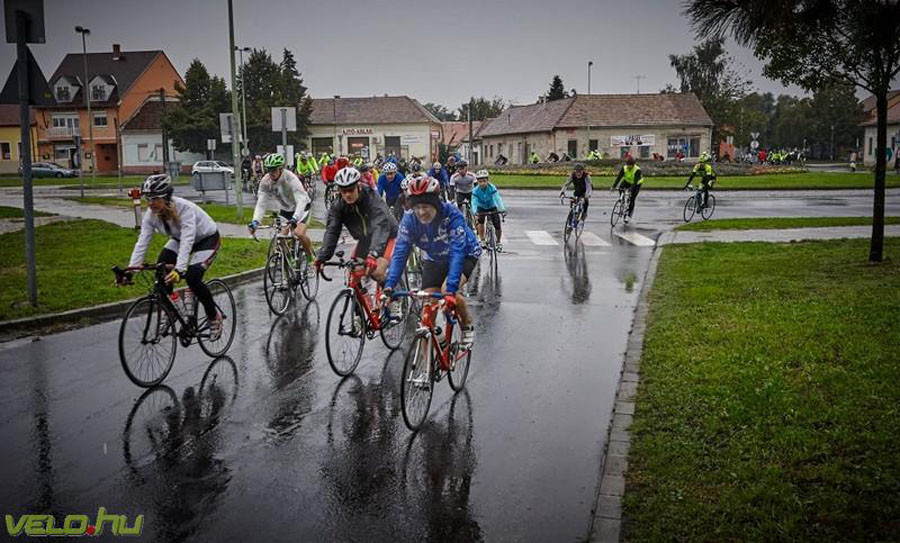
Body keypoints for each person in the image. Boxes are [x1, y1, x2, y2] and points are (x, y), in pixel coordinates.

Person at [382, 176, 482, 348]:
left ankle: (467, 324)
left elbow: (457, 252)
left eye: (426, 207)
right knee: (427, 303)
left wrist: (450, 290)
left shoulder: (452, 215)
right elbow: (400, 253)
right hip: (435, 258)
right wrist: (390, 286)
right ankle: (432, 347)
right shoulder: (409, 220)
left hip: (464, 254)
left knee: (446, 291)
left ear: (435, 204)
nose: (421, 212)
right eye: (417, 207)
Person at [121, 174, 223, 336]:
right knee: (160, 270)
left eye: (155, 198)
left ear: (166, 198)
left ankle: (213, 317)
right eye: (148, 198)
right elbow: (142, 242)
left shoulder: (185, 209)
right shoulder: (150, 215)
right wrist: (131, 270)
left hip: (206, 239)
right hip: (179, 239)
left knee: (193, 277)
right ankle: (173, 309)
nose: (151, 203)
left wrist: (179, 270)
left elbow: (188, 240)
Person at [314, 167, 398, 283]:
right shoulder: (338, 205)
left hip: (387, 236)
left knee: (377, 272)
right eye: (344, 191)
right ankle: (358, 295)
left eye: (351, 190)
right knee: (354, 272)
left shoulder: (371, 197)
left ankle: (394, 292)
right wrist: (322, 257)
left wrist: (373, 254)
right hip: (365, 239)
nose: (348, 194)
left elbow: (380, 225)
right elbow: (332, 230)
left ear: (359, 186)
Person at [248, 153, 314, 263]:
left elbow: (301, 199)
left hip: (302, 208)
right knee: (281, 237)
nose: (271, 173)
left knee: (299, 233)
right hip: (285, 210)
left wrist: (295, 218)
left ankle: (310, 257)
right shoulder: (265, 182)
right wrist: (255, 221)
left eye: (274, 170)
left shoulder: (290, 178)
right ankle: (289, 262)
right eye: (269, 170)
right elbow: (261, 204)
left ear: (281, 169)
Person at [472, 169, 506, 250]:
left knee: (497, 225)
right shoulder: (475, 191)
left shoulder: (492, 187)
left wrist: (502, 209)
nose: (482, 183)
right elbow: (474, 202)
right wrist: (475, 212)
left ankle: (498, 242)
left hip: (492, 206)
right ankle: (482, 240)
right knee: (480, 221)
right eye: (480, 181)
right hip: (481, 207)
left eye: (484, 181)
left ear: (487, 180)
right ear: (477, 182)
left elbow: (497, 198)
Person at [611, 156, 643, 223]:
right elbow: (619, 177)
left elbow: (635, 182)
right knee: (620, 188)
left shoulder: (637, 170)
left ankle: (629, 215)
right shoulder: (624, 168)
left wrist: (631, 189)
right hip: (627, 181)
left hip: (636, 184)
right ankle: (622, 201)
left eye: (630, 165)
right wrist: (614, 186)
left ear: (633, 165)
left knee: (632, 199)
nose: (628, 166)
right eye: (627, 165)